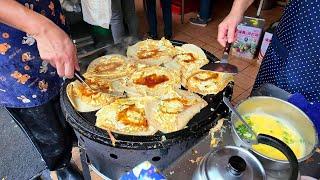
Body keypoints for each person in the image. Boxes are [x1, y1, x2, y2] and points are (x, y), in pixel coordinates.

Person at [0, 0, 82, 179]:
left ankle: (77, 143)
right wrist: (41, 29)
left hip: (51, 23)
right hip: (13, 56)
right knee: (47, 130)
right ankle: (61, 165)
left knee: (71, 98)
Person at [217, 0, 320, 103]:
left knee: (303, 114)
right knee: (259, 101)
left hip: (314, 76)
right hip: (283, 44)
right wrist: (236, 11)